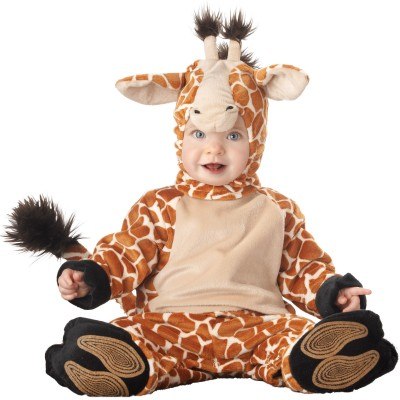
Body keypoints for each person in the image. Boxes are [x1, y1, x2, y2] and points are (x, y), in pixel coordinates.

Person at [7, 7, 397, 397]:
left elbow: (302, 267)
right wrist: (90, 275)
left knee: (294, 336)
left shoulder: (277, 209)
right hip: (169, 324)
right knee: (136, 336)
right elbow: (126, 254)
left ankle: (320, 360)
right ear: (180, 134)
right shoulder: (160, 205)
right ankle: (114, 362)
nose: (214, 149)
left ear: (257, 137)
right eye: (198, 134)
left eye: (233, 136)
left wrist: (333, 295)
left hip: (257, 326)